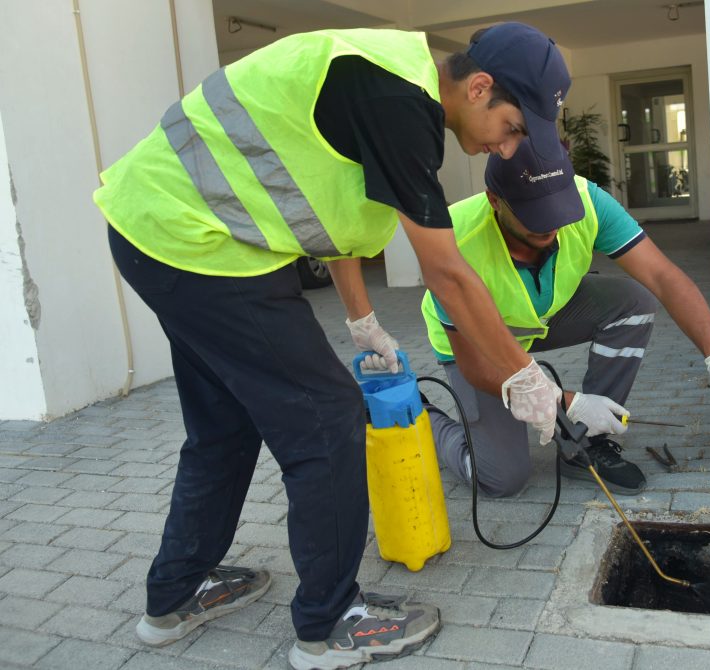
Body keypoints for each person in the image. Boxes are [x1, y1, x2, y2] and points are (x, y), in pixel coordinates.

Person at [94, 23, 568, 670]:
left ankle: (176, 594)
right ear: (480, 87)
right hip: (201, 248)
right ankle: (329, 625)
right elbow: (450, 274)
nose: (509, 148)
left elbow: (332, 219)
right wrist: (525, 377)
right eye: (512, 128)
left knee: (224, 426)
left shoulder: (388, 85)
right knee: (327, 419)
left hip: (158, 231)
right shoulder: (398, 102)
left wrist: (361, 320)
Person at [421, 137, 710, 498]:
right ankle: (421, 414)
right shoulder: (452, 241)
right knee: (501, 479)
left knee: (633, 302)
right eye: (534, 214)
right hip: (477, 343)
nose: (550, 224)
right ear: (495, 201)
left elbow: (663, 277)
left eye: (557, 208)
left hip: (541, 316)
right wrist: (569, 401)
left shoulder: (588, 202)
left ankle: (587, 443)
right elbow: (475, 366)